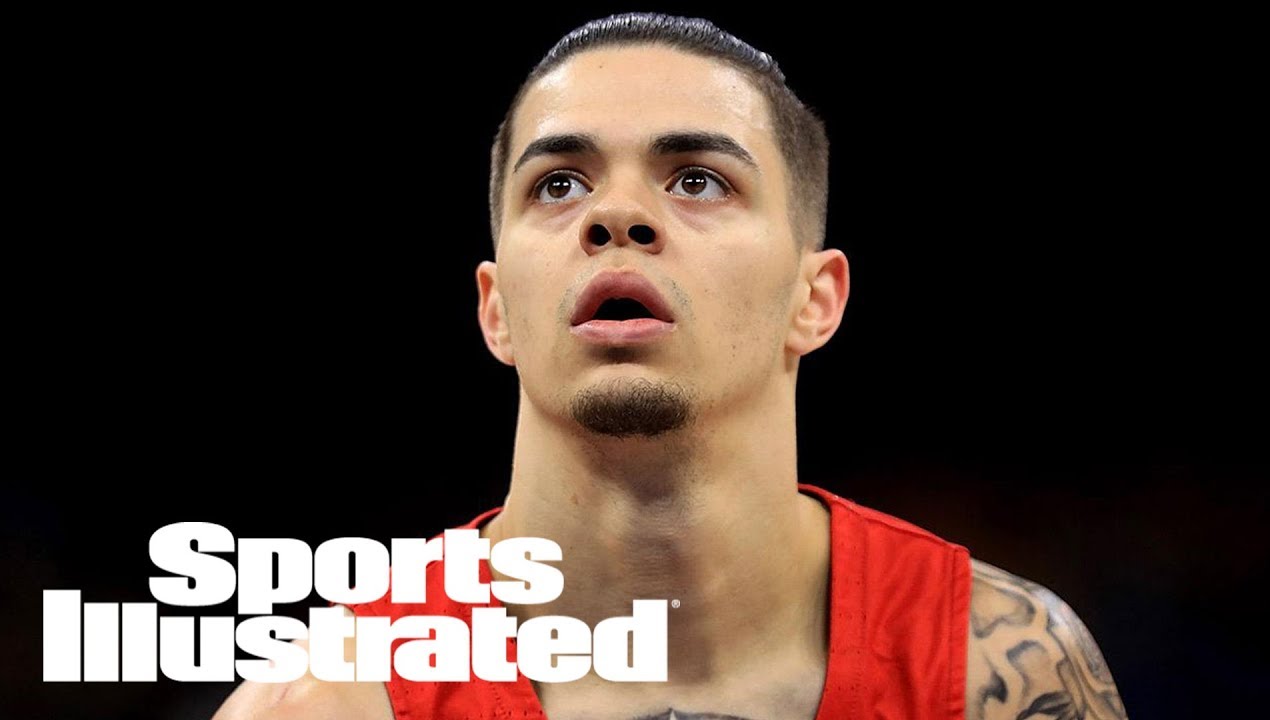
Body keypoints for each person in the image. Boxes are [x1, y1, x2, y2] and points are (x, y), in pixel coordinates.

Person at [213, 12, 1127, 720]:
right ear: (496, 309)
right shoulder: (327, 700)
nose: (615, 215)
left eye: (698, 179)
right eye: (558, 184)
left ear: (814, 299)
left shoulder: (996, 666)